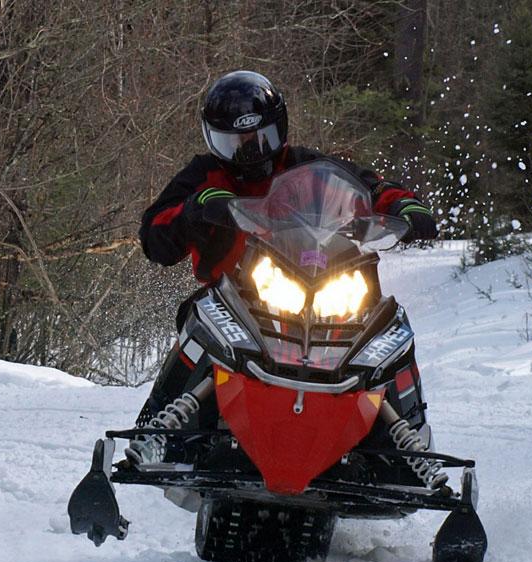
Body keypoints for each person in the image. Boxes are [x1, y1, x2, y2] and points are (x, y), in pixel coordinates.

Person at [135, 70, 437, 430]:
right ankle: (159, 426)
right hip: (236, 299)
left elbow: (366, 188)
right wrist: (194, 210)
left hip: (318, 293)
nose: (250, 150)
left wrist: (403, 206)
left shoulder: (309, 167)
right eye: (235, 142)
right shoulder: (203, 175)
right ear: (214, 140)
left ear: (281, 129)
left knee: (387, 326)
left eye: (262, 138)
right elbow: (155, 234)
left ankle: (408, 440)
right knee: (199, 317)